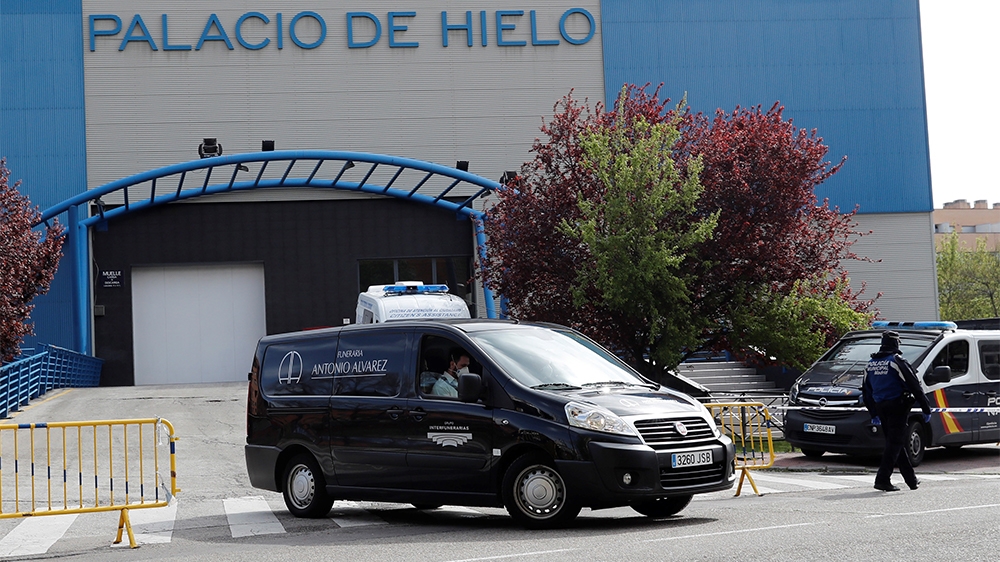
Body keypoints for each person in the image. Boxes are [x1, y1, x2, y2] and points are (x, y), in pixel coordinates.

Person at [862, 330, 932, 492]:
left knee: (896, 443)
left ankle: (911, 480)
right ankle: (882, 478)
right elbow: (914, 385)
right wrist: (925, 407)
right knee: (894, 444)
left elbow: (866, 391)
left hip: (881, 408)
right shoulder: (896, 361)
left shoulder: (870, 364)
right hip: (897, 407)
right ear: (895, 343)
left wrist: (873, 412)